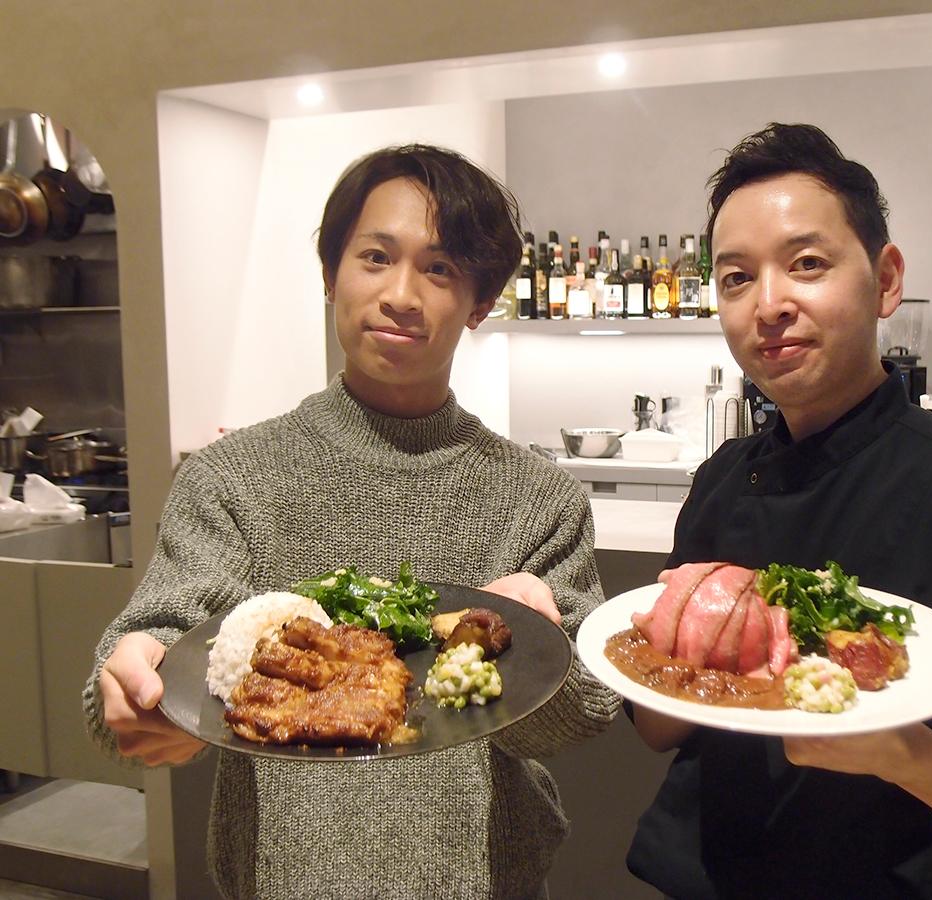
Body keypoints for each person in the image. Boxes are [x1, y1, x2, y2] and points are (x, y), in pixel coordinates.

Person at [83, 143, 620, 899]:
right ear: (330, 275)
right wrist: (133, 687)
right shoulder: (232, 477)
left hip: (484, 878)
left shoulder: (540, 497)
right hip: (283, 878)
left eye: (440, 269)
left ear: (479, 304)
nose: (401, 294)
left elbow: (584, 713)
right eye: (375, 257)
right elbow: (164, 634)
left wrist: (536, 648)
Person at [626, 123, 932, 899]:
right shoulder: (721, 481)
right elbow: (661, 729)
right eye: (736, 278)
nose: (769, 304)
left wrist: (908, 756)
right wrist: (662, 636)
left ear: (885, 281)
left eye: (807, 264)